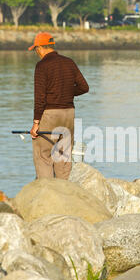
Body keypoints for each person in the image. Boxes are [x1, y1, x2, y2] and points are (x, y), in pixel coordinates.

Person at [28, 32, 89, 179]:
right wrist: (66, 93)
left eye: (36, 49)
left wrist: (36, 123)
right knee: (63, 156)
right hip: (69, 114)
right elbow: (84, 87)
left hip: (50, 115)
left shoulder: (42, 65)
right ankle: (64, 192)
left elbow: (40, 98)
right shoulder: (69, 62)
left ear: (40, 47)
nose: (36, 52)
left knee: (44, 155)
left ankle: (48, 193)